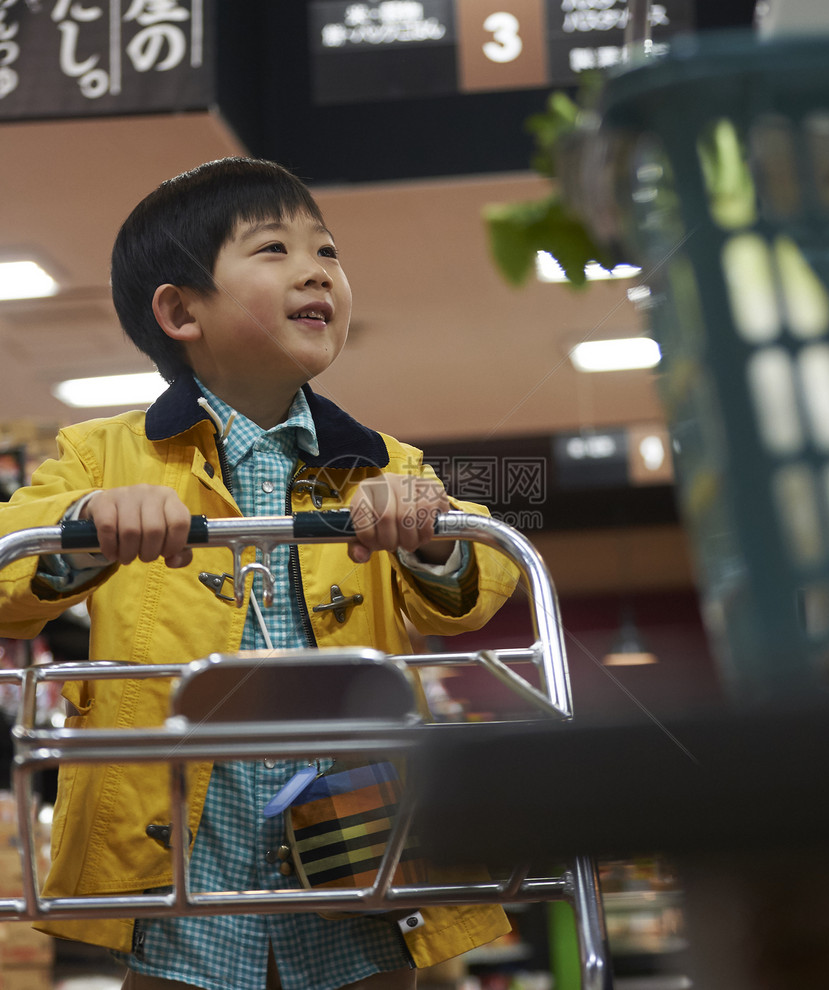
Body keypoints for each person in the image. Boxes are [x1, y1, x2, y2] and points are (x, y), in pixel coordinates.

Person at [0, 158, 519, 990]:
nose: (319, 270)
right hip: (180, 842)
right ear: (179, 311)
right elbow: (7, 566)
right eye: (274, 248)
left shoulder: (386, 463)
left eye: (329, 251)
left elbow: (482, 576)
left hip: (361, 830)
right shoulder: (101, 456)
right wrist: (88, 526)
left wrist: (428, 532)